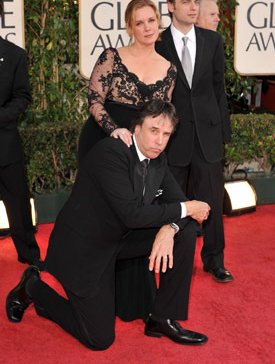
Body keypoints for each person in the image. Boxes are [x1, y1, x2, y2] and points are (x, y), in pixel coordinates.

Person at [6, 100, 210, 350]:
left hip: (121, 239)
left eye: (166, 134)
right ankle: (33, 287)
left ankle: (162, 318)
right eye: (154, 131)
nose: (160, 141)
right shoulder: (111, 153)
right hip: (85, 248)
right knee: (99, 339)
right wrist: (188, 208)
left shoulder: (158, 159)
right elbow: (133, 214)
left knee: (185, 230)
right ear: (136, 128)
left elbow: (176, 202)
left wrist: (171, 228)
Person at [155, 0, 233, 282]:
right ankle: (171, 257)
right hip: (174, 138)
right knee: (173, 203)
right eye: (185, 2)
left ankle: (215, 260)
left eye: (196, 2)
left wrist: (223, 133)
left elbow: (218, 89)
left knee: (211, 201)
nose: (192, 7)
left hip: (209, 135)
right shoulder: (158, 43)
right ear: (171, 6)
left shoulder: (213, 41)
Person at [77, 0, 177, 163]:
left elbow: (162, 117)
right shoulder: (112, 57)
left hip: (141, 150)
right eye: (139, 23)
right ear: (130, 28)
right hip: (102, 139)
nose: (147, 28)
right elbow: (94, 101)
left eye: (151, 20)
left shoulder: (170, 69)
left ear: (158, 22)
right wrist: (114, 130)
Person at [0, 0, 43, 270]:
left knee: (18, 203)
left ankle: (30, 255)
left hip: (4, 144)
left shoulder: (15, 55)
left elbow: (23, 96)